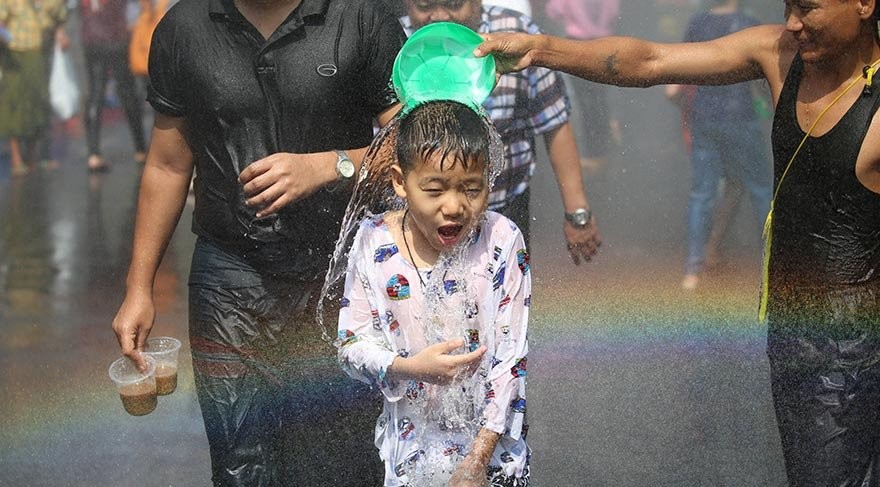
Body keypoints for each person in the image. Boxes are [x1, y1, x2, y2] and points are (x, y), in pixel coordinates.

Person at [475, 1, 880, 485]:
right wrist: (541, 49)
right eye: (788, 5)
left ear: (863, 4)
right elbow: (649, 62)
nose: (792, 21)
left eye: (808, 8)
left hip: (855, 350)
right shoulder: (781, 54)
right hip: (792, 337)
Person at [109, 0, 406, 483]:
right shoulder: (185, 28)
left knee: (341, 459)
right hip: (229, 275)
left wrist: (329, 165)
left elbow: (417, 141)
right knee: (240, 463)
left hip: (341, 273)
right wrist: (138, 288)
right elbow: (167, 165)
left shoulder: (360, 18)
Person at [337, 100, 530, 487]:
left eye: (471, 189)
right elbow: (350, 344)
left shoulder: (501, 239)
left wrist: (478, 461)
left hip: (493, 459)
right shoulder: (374, 242)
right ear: (399, 181)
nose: (455, 207)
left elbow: (512, 360)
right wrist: (408, 368)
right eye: (435, 190)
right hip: (411, 462)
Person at [401, 0, 601, 264]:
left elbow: (553, 123)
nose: (439, 16)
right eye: (425, 6)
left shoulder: (515, 33)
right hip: (415, 219)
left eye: (453, 4)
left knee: (504, 301)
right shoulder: (393, 40)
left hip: (502, 210)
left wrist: (577, 212)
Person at [663, 0, 772, 290]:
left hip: (706, 120)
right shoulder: (750, 24)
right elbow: (764, 80)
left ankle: (692, 270)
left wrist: (681, 100)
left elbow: (677, 79)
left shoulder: (698, 23)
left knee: (702, 193)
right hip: (741, 119)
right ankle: (773, 266)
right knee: (761, 190)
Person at [545, 0, 620, 174]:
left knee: (583, 102)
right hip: (604, 43)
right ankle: (601, 149)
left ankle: (588, 151)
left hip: (577, 44)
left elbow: (554, 11)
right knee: (600, 98)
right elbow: (614, 12)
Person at [0, 0, 68, 177]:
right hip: (14, 55)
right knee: (14, 106)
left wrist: (60, 32)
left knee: (36, 105)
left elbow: (59, 14)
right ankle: (16, 158)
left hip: (37, 52)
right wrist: (6, 38)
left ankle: (31, 157)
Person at [80, 0, 147, 172]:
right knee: (127, 92)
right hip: (117, 38)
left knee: (95, 93)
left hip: (92, 40)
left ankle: (94, 154)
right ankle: (140, 149)